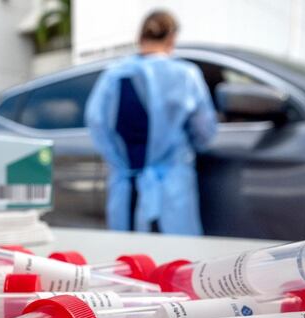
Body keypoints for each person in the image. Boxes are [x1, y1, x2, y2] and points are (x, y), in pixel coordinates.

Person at [86, 10, 217, 234]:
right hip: (171, 190)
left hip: (126, 192)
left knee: (128, 259)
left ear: (140, 38)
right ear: (172, 39)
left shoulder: (113, 75)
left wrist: (121, 162)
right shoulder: (186, 75)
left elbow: (97, 123)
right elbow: (204, 131)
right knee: (175, 259)